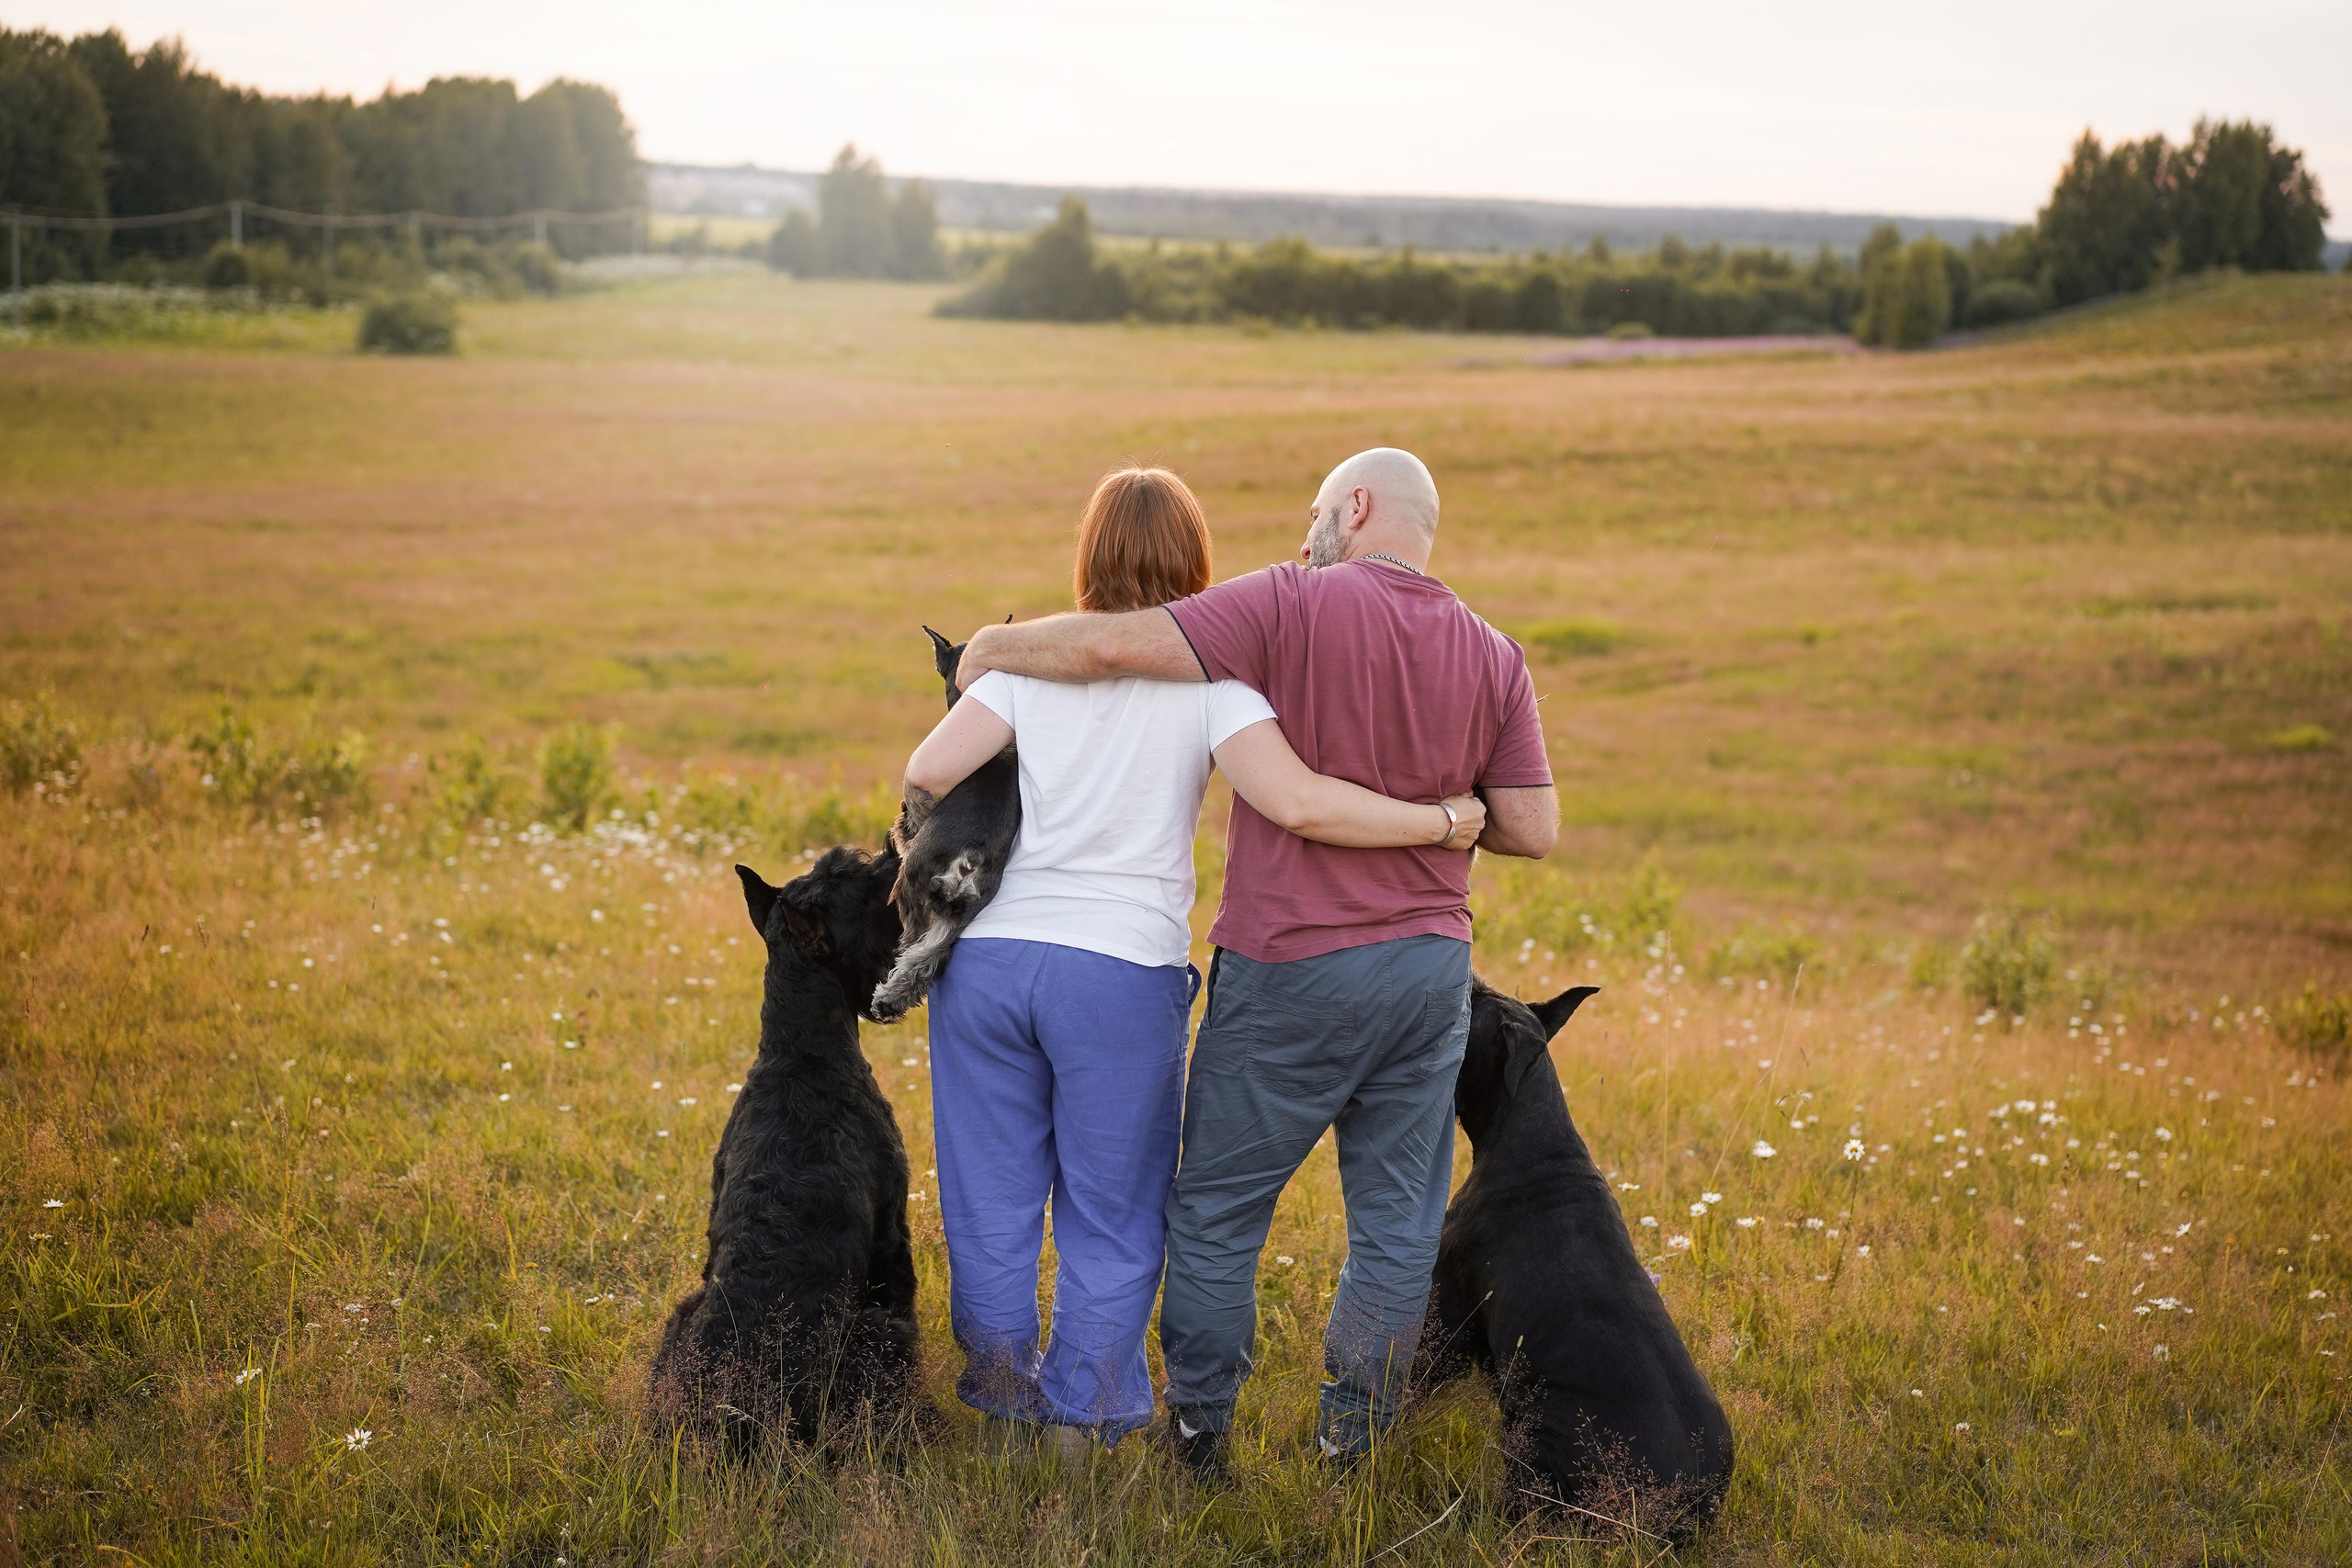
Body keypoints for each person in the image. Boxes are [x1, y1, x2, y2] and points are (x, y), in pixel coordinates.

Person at [955, 446, 1557, 1476]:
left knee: (1219, 1210)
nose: (1303, 531)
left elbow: (1110, 648)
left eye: (1318, 509)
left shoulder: (1287, 603)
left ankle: (1199, 1431)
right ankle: (1348, 1437)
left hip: (1290, 966)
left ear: (1356, 506)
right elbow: (1531, 829)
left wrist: (988, 646)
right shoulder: (1496, 654)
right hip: (1427, 974)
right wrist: (1449, 819)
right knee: (1396, 1224)